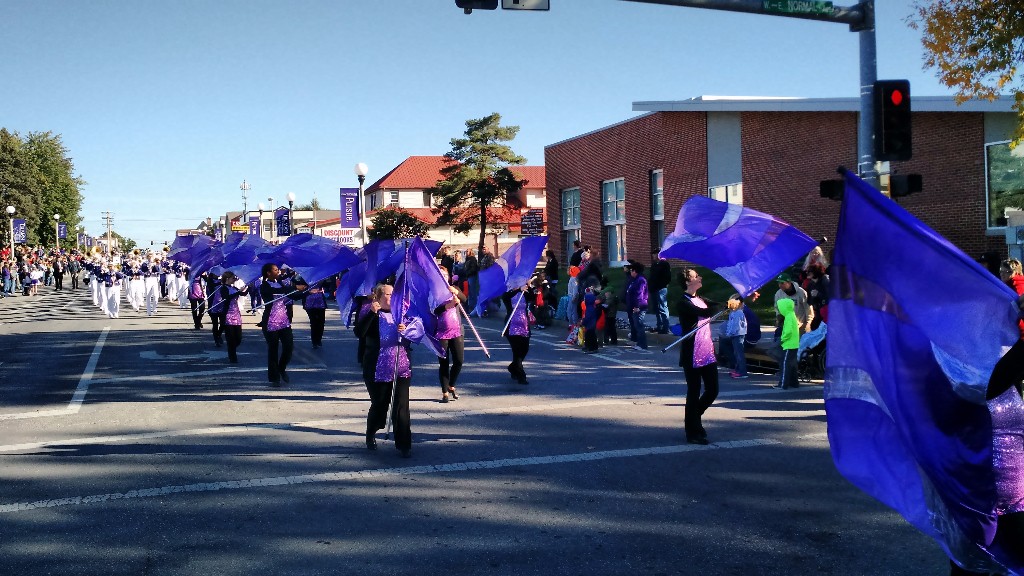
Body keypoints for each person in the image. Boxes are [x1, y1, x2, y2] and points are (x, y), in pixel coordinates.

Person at [357, 283, 415, 457]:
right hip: (377, 366)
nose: (393, 297)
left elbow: (416, 333)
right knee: (380, 405)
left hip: (401, 365)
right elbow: (359, 333)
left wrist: (407, 330)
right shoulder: (370, 312)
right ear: (379, 297)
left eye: (394, 294)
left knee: (401, 406)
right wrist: (371, 314)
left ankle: (404, 444)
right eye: (389, 294)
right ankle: (371, 432)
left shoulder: (402, 313)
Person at [676, 268, 720, 444]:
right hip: (692, 353)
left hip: (707, 352)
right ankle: (692, 431)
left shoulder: (701, 299)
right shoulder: (683, 302)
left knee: (713, 390)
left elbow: (718, 304)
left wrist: (740, 298)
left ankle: (694, 419)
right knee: (693, 392)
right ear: (688, 282)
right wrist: (725, 306)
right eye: (696, 276)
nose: (700, 277)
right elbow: (706, 313)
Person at [259, 263, 307, 386]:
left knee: (289, 347)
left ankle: (281, 368)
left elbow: (293, 296)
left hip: (283, 320)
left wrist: (308, 292)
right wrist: (295, 286)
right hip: (270, 322)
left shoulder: (280, 283)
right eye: (275, 270)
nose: (278, 271)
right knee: (273, 350)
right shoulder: (264, 286)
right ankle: (274, 377)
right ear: (268, 273)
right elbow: (276, 291)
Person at [435, 266, 467, 403]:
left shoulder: (454, 288)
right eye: (440, 274)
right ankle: (444, 393)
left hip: (457, 330)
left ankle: (451, 385)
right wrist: (446, 306)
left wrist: (457, 293)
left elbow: (464, 299)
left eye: (445, 274)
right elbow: (433, 310)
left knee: (459, 361)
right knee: (444, 363)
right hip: (441, 331)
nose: (443, 276)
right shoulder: (435, 291)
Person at [502, 281, 534, 385]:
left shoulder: (524, 293)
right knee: (517, 352)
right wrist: (518, 290)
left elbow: (532, 297)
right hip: (511, 327)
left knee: (525, 349)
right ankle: (521, 376)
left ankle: (513, 367)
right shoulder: (507, 294)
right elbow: (506, 297)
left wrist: (529, 286)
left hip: (524, 326)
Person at [217, 271, 248, 363]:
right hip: (227, 314)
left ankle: (232, 349)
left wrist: (248, 287)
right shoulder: (223, 288)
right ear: (227, 279)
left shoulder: (234, 287)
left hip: (236, 313)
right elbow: (227, 298)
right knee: (230, 337)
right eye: (233, 278)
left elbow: (243, 294)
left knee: (238, 338)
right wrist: (238, 292)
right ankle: (232, 356)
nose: (234, 279)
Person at [721, 294, 748, 379]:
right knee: (736, 353)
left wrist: (730, 333)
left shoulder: (738, 313)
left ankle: (742, 372)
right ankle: (738, 369)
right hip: (734, 335)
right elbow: (730, 324)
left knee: (739, 354)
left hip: (738, 335)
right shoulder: (733, 313)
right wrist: (728, 332)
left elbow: (736, 326)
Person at [775, 297, 800, 389]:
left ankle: (783, 384)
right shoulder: (792, 314)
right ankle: (794, 383)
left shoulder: (788, 316)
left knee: (785, 364)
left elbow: (788, 331)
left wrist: (783, 338)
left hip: (789, 344)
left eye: (780, 307)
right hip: (794, 344)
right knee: (792, 365)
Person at [626, 261, 651, 352]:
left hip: (639, 306)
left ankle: (642, 345)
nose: (630, 272)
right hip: (635, 306)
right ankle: (639, 343)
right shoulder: (636, 280)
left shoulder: (640, 280)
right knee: (637, 325)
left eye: (632, 270)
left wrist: (637, 306)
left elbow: (639, 294)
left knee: (639, 325)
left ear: (635, 271)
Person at [648, 253, 672, 334]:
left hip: (661, 289)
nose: (653, 256)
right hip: (654, 289)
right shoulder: (654, 265)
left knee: (662, 307)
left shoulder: (664, 264)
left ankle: (666, 327)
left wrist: (662, 285)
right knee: (657, 308)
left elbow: (668, 277)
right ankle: (659, 326)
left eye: (654, 254)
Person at [303, 279, 328, 349]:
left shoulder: (322, 276)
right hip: (309, 302)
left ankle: (319, 339)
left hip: (320, 302)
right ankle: (314, 341)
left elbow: (328, 284)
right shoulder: (305, 276)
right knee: (314, 322)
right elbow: (296, 281)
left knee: (321, 322)